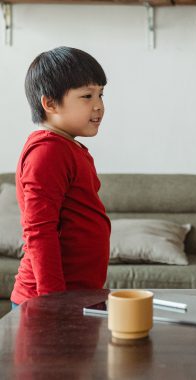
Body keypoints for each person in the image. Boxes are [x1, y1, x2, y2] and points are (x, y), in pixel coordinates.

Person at [10, 47, 111, 308]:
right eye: (87, 96)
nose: (99, 105)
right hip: (49, 301)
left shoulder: (67, 147)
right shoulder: (48, 152)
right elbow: (39, 230)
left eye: (101, 94)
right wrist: (53, 301)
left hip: (77, 295)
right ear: (50, 103)